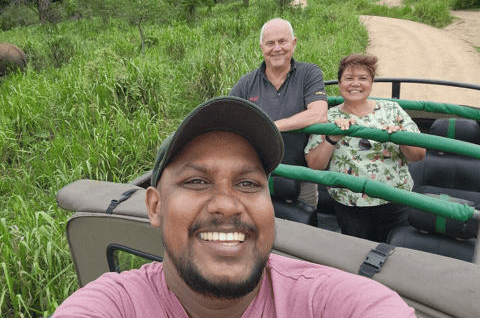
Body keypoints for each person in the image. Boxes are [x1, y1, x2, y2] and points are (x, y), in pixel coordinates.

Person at [53, 96, 416, 317]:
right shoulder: (114, 305)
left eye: (248, 184)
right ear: (155, 207)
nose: (227, 205)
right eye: (196, 181)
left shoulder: (336, 302)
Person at [305, 54, 426, 243]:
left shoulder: (392, 110)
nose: (355, 84)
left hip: (395, 200)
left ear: (371, 82)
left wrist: (400, 136)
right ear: (339, 82)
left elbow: (418, 155)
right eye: (349, 78)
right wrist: (332, 137)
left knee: (396, 252)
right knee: (357, 255)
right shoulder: (327, 117)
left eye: (363, 78)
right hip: (350, 204)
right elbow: (314, 165)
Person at [229, 18, 328, 208]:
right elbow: (227, 120)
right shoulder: (246, 83)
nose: (277, 48)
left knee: (304, 230)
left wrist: (271, 127)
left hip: (302, 177)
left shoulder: (309, 73)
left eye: (282, 41)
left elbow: (318, 114)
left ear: (294, 43)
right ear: (261, 47)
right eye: (270, 43)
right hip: (256, 178)